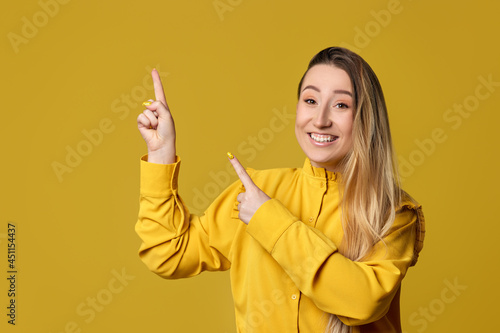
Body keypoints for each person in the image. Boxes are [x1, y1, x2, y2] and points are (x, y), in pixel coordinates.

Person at [135, 47, 425, 333]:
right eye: (310, 100)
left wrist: (268, 219)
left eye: (341, 105)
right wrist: (161, 153)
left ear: (366, 117)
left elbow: (362, 303)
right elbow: (168, 254)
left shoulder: (393, 212)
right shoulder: (253, 192)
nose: (321, 119)